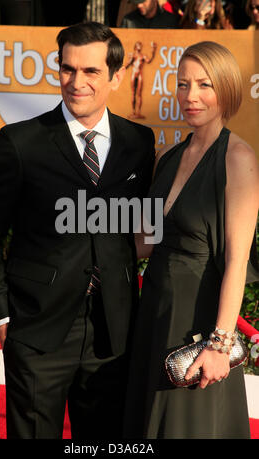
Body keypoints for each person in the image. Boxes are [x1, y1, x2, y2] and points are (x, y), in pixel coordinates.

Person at [0, 21, 155, 439]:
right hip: (36, 328)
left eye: (90, 71)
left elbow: (142, 228)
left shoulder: (139, 143)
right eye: (68, 69)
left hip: (114, 331)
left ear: (116, 76)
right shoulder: (21, 142)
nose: (77, 82)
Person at [123, 41, 259, 439]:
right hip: (154, 317)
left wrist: (219, 344)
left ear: (227, 89)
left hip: (198, 326)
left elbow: (237, 260)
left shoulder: (238, 159)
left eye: (204, 84)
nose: (190, 96)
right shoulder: (168, 156)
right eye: (183, 85)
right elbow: (143, 242)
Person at [125, 41, 157, 119]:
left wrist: (153, 50)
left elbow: (149, 61)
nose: (140, 46)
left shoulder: (142, 56)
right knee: (133, 93)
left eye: (141, 45)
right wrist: (130, 59)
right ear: (135, 46)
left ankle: (138, 112)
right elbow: (126, 66)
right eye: (139, 45)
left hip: (140, 75)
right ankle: (133, 112)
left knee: (139, 94)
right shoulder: (132, 55)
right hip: (133, 74)